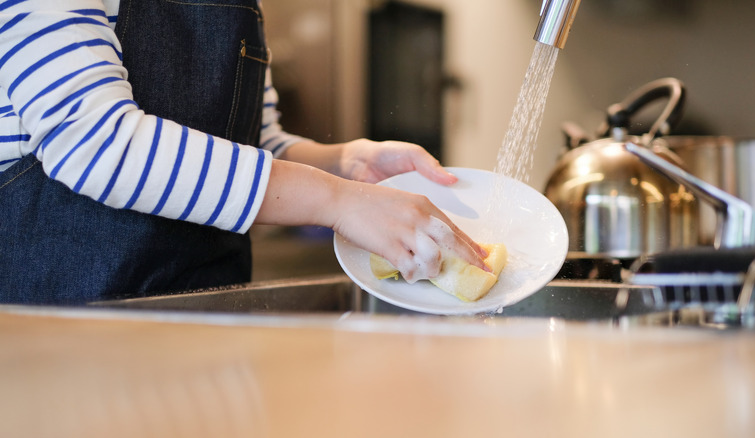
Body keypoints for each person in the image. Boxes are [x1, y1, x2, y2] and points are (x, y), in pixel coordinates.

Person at [0, 0, 488, 305]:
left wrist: (343, 164)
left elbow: (251, 144)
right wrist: (338, 200)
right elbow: (96, 143)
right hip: (65, 327)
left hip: (209, 314)